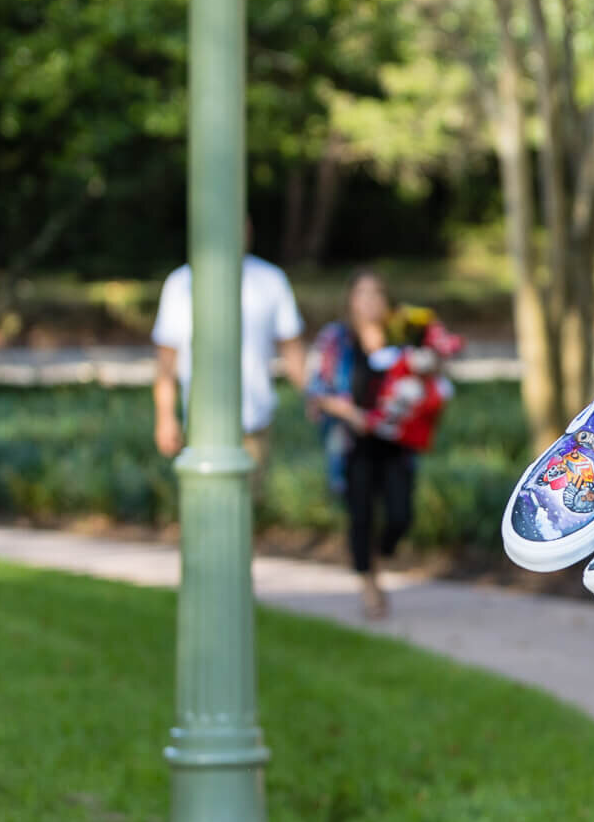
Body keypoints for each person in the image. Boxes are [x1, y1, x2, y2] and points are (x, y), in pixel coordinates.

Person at [151, 225, 307, 502]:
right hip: (200, 423)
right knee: (205, 503)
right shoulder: (181, 283)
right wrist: (165, 417)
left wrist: (312, 396)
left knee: (248, 504)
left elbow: (292, 349)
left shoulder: (270, 280)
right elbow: (166, 362)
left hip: (254, 419)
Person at [304, 269, 416, 621]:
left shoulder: (403, 339)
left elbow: (427, 381)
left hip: (396, 442)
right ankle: (369, 585)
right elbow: (317, 388)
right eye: (362, 294)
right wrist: (349, 413)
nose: (369, 301)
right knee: (361, 515)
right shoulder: (336, 340)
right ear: (350, 299)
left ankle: (380, 558)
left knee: (400, 515)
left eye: (376, 293)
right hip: (353, 443)